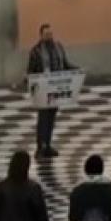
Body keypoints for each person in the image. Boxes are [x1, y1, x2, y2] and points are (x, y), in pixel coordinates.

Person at [27, 23, 76, 158]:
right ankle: (40, 147)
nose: (49, 37)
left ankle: (48, 145)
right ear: (41, 35)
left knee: (51, 118)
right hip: (43, 89)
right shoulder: (36, 51)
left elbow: (65, 64)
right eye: (46, 34)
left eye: (51, 34)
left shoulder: (58, 47)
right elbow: (31, 71)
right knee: (43, 118)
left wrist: (77, 70)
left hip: (55, 88)